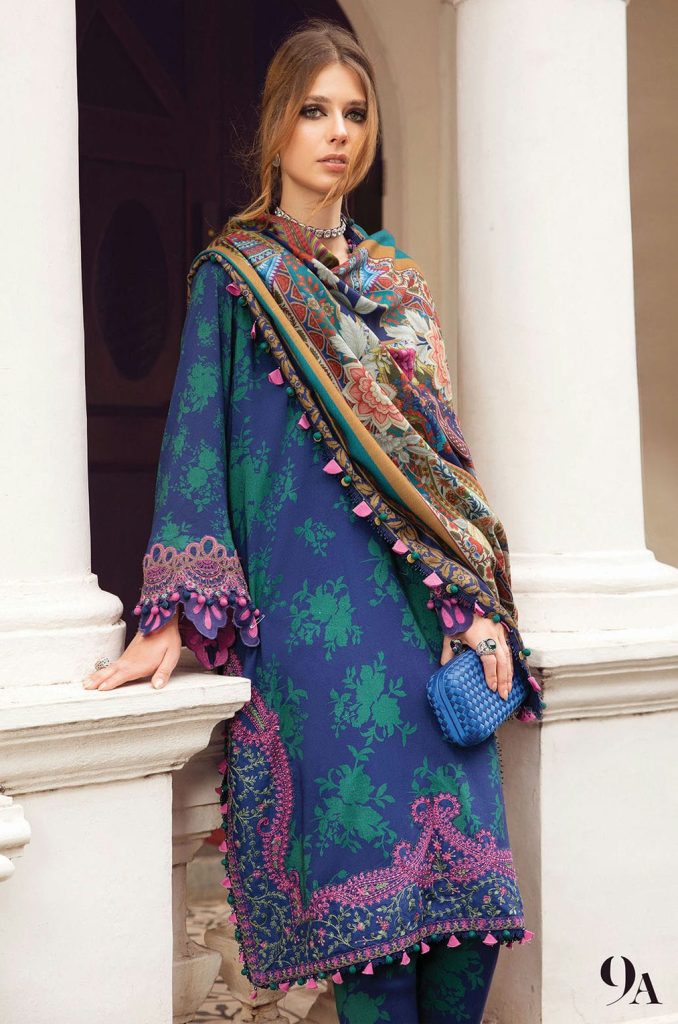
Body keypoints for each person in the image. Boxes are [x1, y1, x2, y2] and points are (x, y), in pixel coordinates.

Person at [83, 18, 544, 1024]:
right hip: (319, 650)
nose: (338, 132)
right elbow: (195, 451)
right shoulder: (236, 280)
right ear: (276, 127)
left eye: (355, 113)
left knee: (473, 925)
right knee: (370, 944)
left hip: (429, 636)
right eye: (315, 111)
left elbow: (445, 475)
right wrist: (171, 617)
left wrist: (474, 604)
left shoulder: (398, 287)